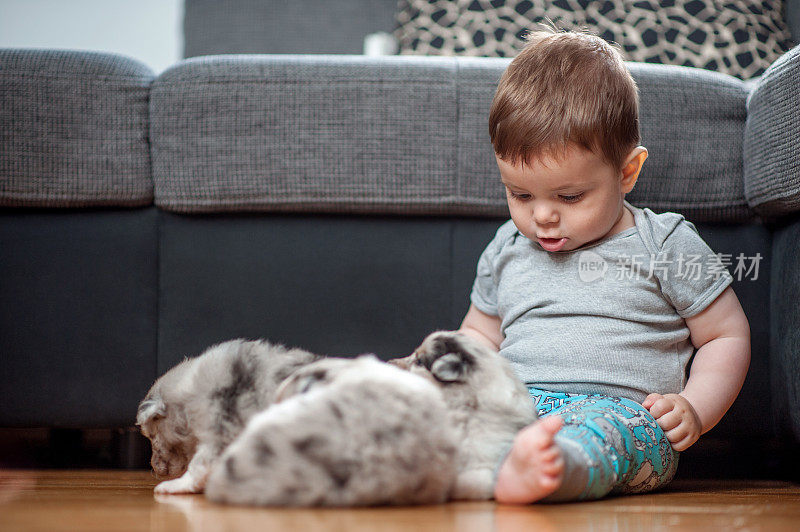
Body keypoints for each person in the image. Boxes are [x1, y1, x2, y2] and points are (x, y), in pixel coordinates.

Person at [459, 29, 751, 504]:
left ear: (627, 172)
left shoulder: (666, 243)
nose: (543, 216)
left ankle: (558, 468)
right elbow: (479, 336)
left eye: (569, 196)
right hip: (519, 403)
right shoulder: (507, 246)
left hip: (622, 413)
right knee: (455, 418)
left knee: (612, 435)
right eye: (521, 194)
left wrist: (695, 409)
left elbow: (725, 335)